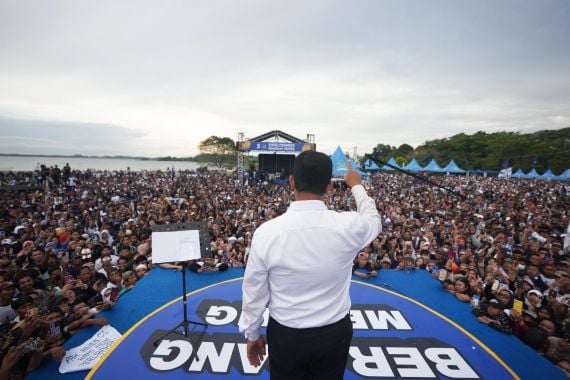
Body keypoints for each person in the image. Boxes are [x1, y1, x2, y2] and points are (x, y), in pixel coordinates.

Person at [239, 151, 381, 379]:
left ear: (292, 181)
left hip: (287, 335)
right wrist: (357, 186)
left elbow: (254, 291)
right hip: (334, 333)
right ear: (329, 187)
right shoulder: (349, 225)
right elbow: (373, 220)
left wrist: (253, 334)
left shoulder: (267, 233)